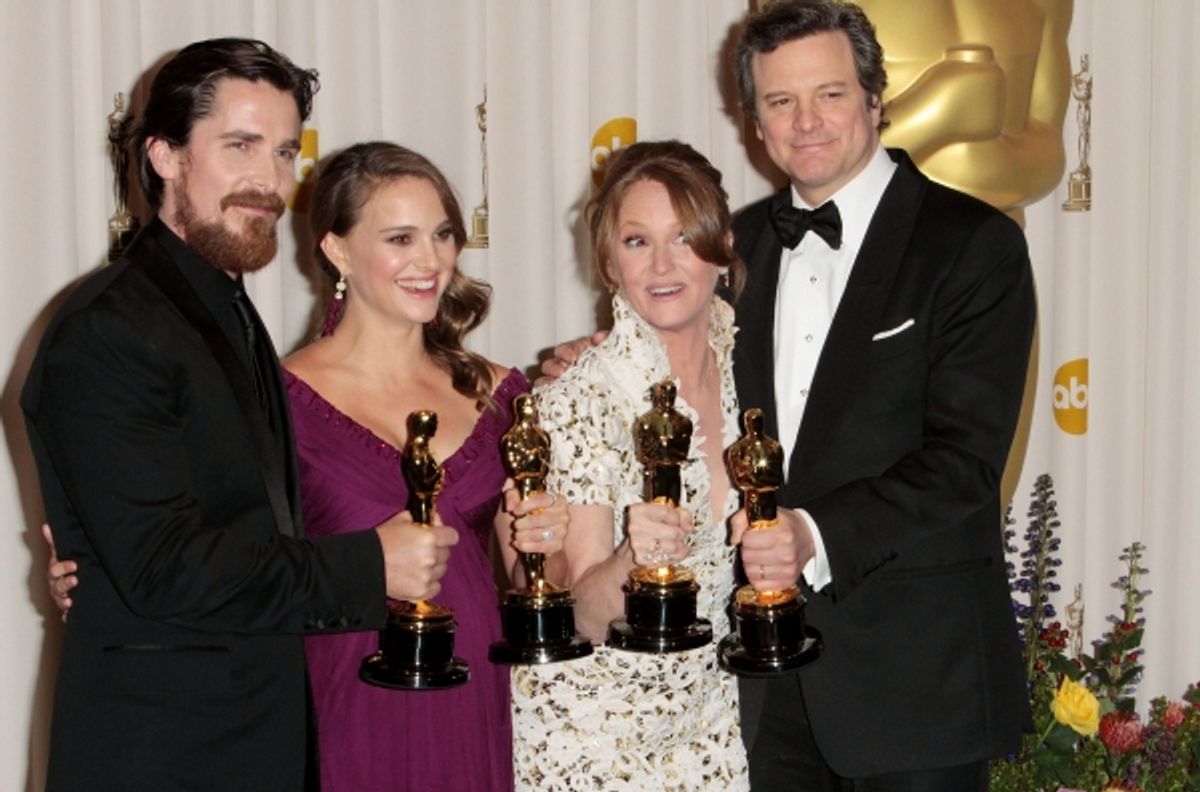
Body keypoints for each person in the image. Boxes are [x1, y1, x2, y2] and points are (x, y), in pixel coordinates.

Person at [21, 39, 460, 791]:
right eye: (240, 146)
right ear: (163, 155)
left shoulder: (222, 309)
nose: (269, 180)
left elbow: (233, 527)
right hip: (162, 758)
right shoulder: (110, 327)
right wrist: (368, 564)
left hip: (250, 741)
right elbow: (163, 566)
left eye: (285, 152)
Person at [728, 1, 1035, 788]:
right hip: (761, 693)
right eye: (779, 101)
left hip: (915, 682)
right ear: (754, 120)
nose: (805, 122)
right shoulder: (732, 248)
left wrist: (812, 534)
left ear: (874, 97)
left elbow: (965, 461)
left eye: (829, 93)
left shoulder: (972, 244)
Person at [286, 141, 568, 791]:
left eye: (442, 235)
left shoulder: (499, 393)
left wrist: (543, 545)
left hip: (470, 696)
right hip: (345, 699)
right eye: (400, 238)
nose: (431, 260)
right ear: (336, 250)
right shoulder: (277, 399)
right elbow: (231, 562)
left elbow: (534, 585)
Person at [512, 140, 751, 790]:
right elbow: (579, 615)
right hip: (597, 743)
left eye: (683, 237)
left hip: (711, 730)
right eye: (637, 241)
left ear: (722, 246)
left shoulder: (750, 370)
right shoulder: (578, 400)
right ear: (610, 262)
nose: (663, 264)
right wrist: (631, 561)